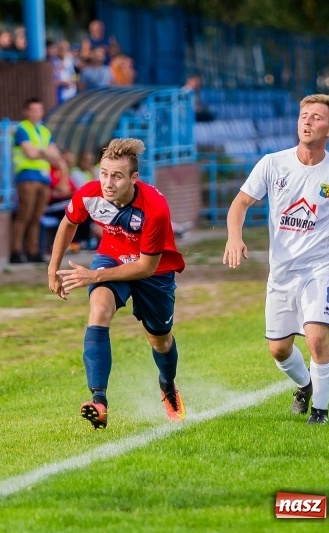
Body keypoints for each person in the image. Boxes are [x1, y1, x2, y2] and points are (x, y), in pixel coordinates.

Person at [223, 94, 329, 425]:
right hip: (282, 272)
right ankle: (305, 386)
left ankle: (321, 412)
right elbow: (240, 203)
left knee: (316, 338)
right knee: (279, 349)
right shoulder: (273, 163)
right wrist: (234, 236)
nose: (307, 121)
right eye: (304, 115)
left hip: (320, 268)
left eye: (316, 117)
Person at [48, 138, 186, 429]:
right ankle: (99, 401)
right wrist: (52, 268)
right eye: (104, 173)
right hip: (111, 257)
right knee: (98, 310)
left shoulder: (155, 208)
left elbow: (145, 267)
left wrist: (93, 276)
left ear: (134, 178)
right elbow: (68, 223)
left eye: (117, 176)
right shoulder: (89, 194)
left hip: (155, 271)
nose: (108, 183)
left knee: (160, 340)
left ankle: (168, 385)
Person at [10, 97, 66, 264]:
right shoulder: (22, 129)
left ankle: (32, 251)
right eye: (33, 110)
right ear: (26, 112)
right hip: (27, 176)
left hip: (43, 177)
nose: (36, 113)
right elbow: (30, 153)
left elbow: (54, 154)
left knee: (37, 216)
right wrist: (46, 153)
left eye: (39, 110)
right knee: (24, 215)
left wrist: (43, 153)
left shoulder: (44, 131)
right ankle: (16, 251)